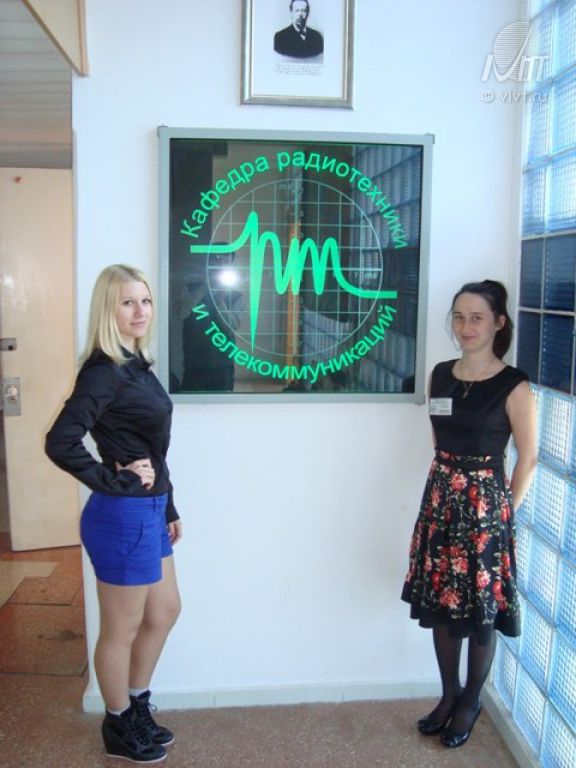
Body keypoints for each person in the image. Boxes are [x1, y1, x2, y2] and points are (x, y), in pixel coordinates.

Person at [45, 265, 182, 764]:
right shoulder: (103, 371)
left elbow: (152, 447)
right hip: (122, 516)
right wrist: (113, 479)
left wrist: (168, 503)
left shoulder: (135, 364)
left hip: (149, 510)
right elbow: (60, 441)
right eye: (128, 302)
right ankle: (118, 723)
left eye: (145, 300)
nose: (140, 311)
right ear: (108, 309)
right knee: (121, 629)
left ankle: (137, 703)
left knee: (164, 611)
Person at [401, 280, 537, 749]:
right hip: (440, 501)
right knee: (442, 606)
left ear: (499, 322)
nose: (466, 326)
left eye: (477, 317)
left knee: (480, 612)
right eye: (459, 317)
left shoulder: (514, 385)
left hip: (485, 513)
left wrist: (503, 515)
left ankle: (471, 701)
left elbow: (528, 458)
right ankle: (449, 695)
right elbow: (439, 438)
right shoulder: (440, 374)